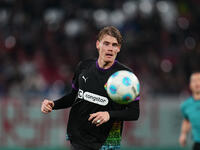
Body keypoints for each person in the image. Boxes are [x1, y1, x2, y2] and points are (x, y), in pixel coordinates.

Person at [41, 26, 140, 150]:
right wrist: (53, 104)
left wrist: (109, 115)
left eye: (114, 45)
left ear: (118, 48)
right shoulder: (84, 67)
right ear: (98, 45)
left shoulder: (127, 77)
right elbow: (74, 96)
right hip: (78, 138)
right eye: (106, 43)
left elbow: (134, 113)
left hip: (106, 143)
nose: (110, 48)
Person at [179, 71, 200, 150]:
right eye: (194, 81)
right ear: (190, 85)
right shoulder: (186, 105)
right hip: (197, 143)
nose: (197, 83)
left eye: (199, 80)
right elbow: (187, 120)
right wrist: (183, 134)